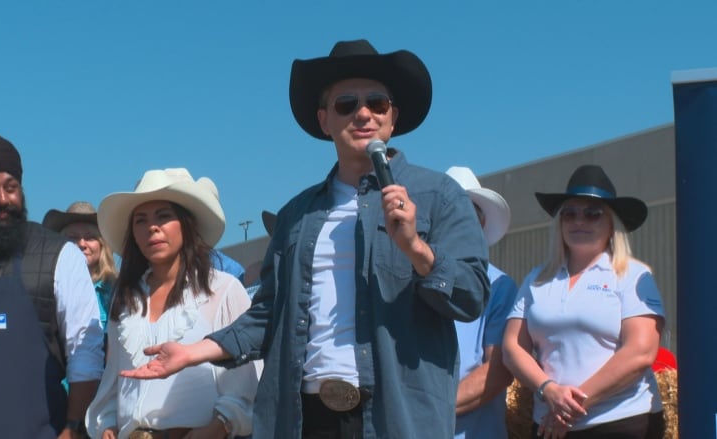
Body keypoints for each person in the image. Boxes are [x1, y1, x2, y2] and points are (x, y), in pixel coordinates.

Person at [122, 39, 490, 438]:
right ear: (324, 120)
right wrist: (193, 352)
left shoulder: (438, 195)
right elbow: (268, 316)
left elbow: (471, 295)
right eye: (346, 104)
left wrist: (416, 249)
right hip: (305, 418)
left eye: (377, 103)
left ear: (393, 116)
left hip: (395, 417)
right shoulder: (296, 216)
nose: (363, 113)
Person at [0, 132, 105, 438]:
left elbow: (86, 352)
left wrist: (73, 426)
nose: (4, 199)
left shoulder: (59, 255)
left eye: (12, 188)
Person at [86, 168, 257, 439]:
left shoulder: (223, 289)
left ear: (186, 224)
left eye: (163, 216)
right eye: (140, 220)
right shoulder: (126, 297)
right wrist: (107, 422)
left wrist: (218, 427)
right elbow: (114, 378)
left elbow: (247, 381)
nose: (152, 227)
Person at [502, 164, 666, 438]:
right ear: (560, 222)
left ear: (612, 223)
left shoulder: (633, 275)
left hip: (621, 421)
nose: (579, 221)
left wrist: (571, 405)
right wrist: (549, 390)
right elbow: (512, 347)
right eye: (570, 214)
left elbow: (640, 352)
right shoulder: (536, 280)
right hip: (550, 423)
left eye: (593, 214)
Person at [446, 166, 517, 439]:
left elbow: (498, 370)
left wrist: (429, 411)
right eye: (447, 214)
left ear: (481, 223)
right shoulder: (409, 279)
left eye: (465, 215)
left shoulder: (500, 286)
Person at [43, 201, 118, 331]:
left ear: (102, 245)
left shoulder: (118, 291)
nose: (82, 244)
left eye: (90, 237)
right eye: (73, 238)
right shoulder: (46, 289)